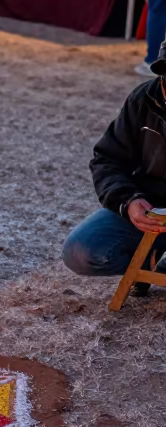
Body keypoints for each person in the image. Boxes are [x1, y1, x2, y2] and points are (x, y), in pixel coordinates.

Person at [62, 43, 166, 284]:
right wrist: (129, 201)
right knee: (80, 251)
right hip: (151, 209)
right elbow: (106, 159)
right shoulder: (143, 99)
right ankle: (149, 262)